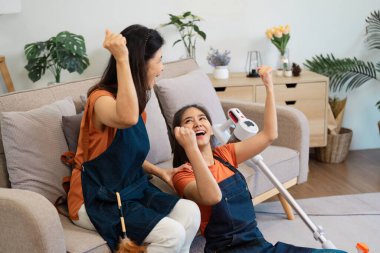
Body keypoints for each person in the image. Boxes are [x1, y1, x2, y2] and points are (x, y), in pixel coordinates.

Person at [171, 67, 347, 253]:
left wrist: (269, 89)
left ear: (211, 127)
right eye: (188, 121)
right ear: (179, 134)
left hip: (259, 245)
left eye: (202, 118)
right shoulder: (183, 174)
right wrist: (191, 148)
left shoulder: (224, 155)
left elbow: (269, 135)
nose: (197, 123)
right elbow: (211, 196)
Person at [67, 24, 200, 253]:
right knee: (173, 234)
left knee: (190, 212)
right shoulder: (100, 101)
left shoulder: (136, 107)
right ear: (140, 64)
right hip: (95, 199)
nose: (162, 67)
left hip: (130, 190)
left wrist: (161, 172)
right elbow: (126, 117)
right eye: (159, 60)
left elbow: (126, 156)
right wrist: (121, 58)